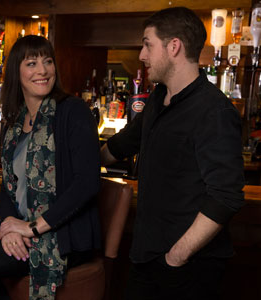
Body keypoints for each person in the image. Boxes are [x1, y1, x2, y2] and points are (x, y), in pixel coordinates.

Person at [101, 7, 244, 300]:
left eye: (147, 44)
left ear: (174, 46)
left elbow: (225, 197)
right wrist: (77, 163)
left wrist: (176, 257)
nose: (141, 54)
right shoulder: (158, 98)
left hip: (186, 266)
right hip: (148, 254)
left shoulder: (213, 111)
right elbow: (122, 144)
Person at [0, 35, 101, 300]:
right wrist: (8, 228)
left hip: (62, 235)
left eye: (48, 62)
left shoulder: (73, 111)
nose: (43, 70)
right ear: (17, 71)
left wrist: (32, 228)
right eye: (32, 63)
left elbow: (87, 183)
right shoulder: (17, 123)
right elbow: (8, 185)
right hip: (26, 228)